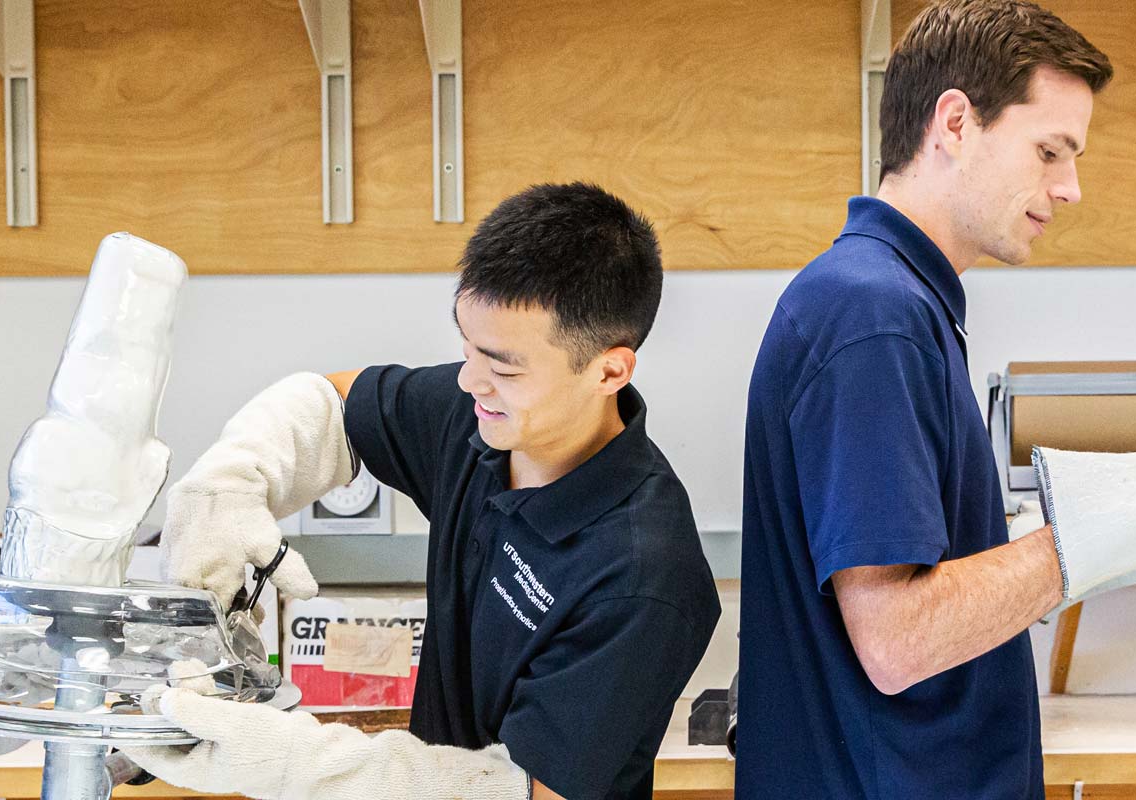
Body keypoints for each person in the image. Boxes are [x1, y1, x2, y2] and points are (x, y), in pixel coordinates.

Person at [735, 2, 1136, 796]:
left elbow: (929, 586)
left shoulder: (901, 302)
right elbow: (899, 641)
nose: (1070, 189)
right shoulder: (872, 315)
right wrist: (1110, 520)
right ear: (955, 123)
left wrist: (1117, 530)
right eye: (1049, 151)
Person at [124, 182, 721, 800]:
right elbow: (336, 403)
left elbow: (533, 792)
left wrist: (293, 764)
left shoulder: (643, 575)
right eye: (466, 348)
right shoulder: (483, 419)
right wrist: (229, 482)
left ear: (608, 370)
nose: (470, 380)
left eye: (504, 367)